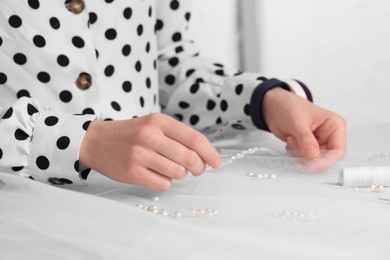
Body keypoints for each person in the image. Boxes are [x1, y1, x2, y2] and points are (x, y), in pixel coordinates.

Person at [0, 0, 346, 192]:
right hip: (19, 203)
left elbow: (165, 58)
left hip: (148, 200)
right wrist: (81, 143)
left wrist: (260, 100)